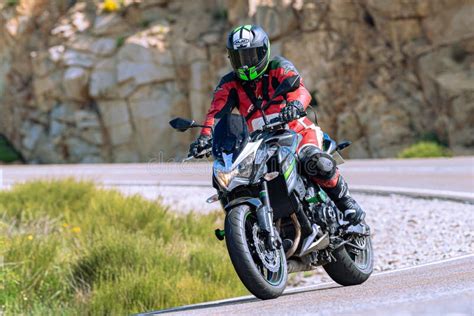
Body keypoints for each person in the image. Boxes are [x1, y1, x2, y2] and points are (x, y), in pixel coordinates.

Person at [189, 25, 365, 225]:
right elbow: (215, 113)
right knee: (238, 179)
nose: (245, 64)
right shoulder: (229, 83)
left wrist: (295, 104)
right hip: (259, 143)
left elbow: (300, 90)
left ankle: (347, 203)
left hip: (296, 131)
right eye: (239, 58)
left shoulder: (278, 67)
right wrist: (205, 137)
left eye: (250, 56)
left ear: (263, 51)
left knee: (314, 160)